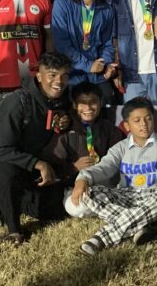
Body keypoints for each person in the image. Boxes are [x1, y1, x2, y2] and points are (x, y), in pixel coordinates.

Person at [70, 96, 157, 257]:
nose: (144, 124)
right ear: (127, 125)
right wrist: (83, 178)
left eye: (148, 119)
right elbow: (105, 167)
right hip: (128, 195)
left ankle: (100, 239)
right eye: (137, 120)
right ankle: (144, 224)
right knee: (90, 193)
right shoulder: (121, 147)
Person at [0, 52, 72, 245]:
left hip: (34, 165)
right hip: (6, 162)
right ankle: (13, 229)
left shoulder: (62, 97)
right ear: (39, 76)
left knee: (56, 210)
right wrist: (38, 164)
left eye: (64, 75)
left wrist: (66, 121)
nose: (59, 81)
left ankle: (6, 200)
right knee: (5, 170)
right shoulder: (18, 101)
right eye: (52, 75)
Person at [38, 82, 125, 218]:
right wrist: (73, 168)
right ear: (74, 105)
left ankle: (109, 206)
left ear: (100, 103)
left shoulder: (109, 128)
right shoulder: (65, 129)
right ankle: (111, 208)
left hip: (105, 184)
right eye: (82, 103)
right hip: (75, 187)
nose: (88, 107)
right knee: (77, 208)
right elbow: (51, 165)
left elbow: (120, 157)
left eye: (93, 102)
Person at [51, 0, 118, 102]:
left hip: (97, 76)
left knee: (106, 107)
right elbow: (62, 45)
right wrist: (88, 66)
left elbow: (108, 44)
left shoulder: (107, 10)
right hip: (70, 77)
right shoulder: (62, 4)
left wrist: (105, 66)